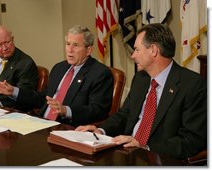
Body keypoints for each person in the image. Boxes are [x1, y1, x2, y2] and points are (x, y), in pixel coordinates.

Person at [75, 23, 207, 159]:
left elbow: (191, 140)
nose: (133, 56)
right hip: (127, 154)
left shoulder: (192, 85)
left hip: (159, 158)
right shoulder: (140, 78)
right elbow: (125, 114)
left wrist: (144, 145)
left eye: (137, 50)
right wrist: (101, 130)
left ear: (153, 50)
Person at [0, 25, 114, 127]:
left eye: (76, 45)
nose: (69, 50)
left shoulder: (100, 73)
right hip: (41, 123)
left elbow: (98, 110)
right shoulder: (59, 68)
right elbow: (43, 99)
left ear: (88, 50)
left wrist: (66, 110)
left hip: (66, 127)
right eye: (68, 44)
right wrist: (14, 91)